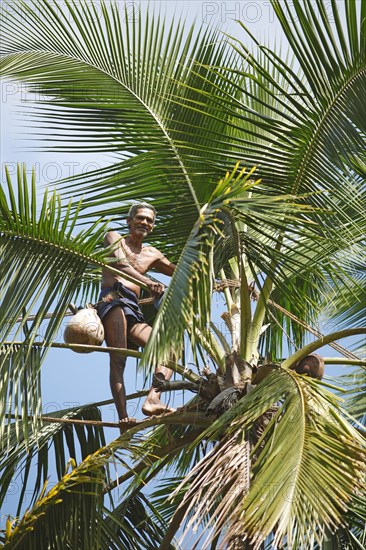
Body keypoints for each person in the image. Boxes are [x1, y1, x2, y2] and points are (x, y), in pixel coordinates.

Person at [97, 202, 176, 425]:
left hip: (134, 308)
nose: (145, 222)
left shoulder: (152, 254)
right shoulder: (113, 237)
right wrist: (148, 282)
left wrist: (217, 279)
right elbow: (121, 265)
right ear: (129, 221)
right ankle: (123, 417)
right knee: (119, 359)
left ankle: (153, 398)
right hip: (113, 300)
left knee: (169, 350)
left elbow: (180, 272)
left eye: (149, 220)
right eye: (140, 218)